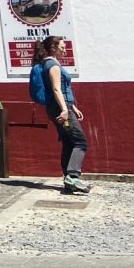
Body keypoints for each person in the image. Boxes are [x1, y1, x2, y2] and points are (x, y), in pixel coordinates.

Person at [36, 35, 91, 195]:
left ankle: (68, 181)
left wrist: (72, 106)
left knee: (68, 142)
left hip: (60, 106)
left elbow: (63, 88)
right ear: (53, 48)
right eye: (62, 47)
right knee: (80, 142)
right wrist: (65, 110)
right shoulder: (52, 65)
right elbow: (56, 89)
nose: (65, 50)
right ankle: (73, 177)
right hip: (60, 107)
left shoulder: (49, 63)